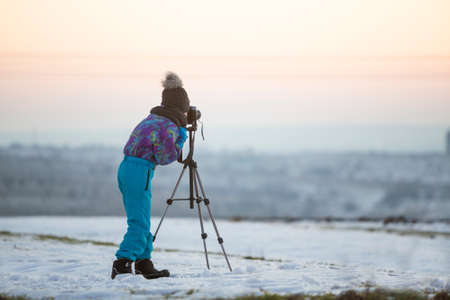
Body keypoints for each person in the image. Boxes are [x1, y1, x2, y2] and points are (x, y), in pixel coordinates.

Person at [111, 72, 189, 280]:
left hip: (127, 168)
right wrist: (182, 135)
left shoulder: (152, 118)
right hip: (139, 172)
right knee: (139, 222)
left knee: (141, 219)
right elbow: (166, 157)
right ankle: (122, 262)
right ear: (182, 106)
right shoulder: (168, 127)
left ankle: (144, 263)